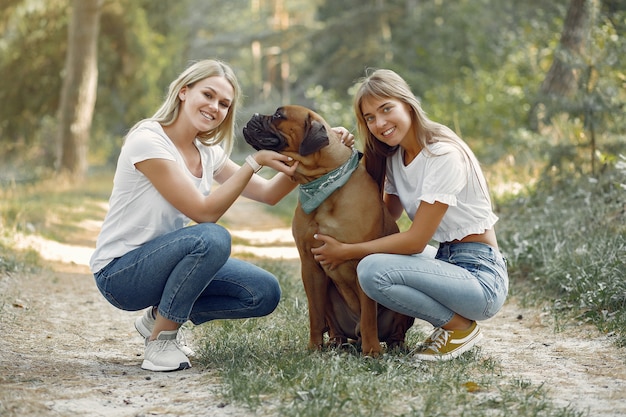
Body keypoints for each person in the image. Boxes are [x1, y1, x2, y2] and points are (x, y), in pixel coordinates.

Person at [90, 59, 354, 372]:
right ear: (184, 92)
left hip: (165, 264)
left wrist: (318, 151)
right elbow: (204, 213)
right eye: (208, 95)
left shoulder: (206, 152)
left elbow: (268, 194)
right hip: (121, 273)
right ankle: (162, 341)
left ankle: (157, 318)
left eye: (224, 103)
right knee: (212, 238)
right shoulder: (148, 140)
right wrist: (253, 162)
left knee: (262, 292)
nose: (215, 107)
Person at [311, 68, 508, 361]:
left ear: (408, 103)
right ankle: (455, 327)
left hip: (480, 277)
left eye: (386, 109)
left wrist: (347, 251)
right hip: (446, 259)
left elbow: (415, 242)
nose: (379, 123)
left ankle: (459, 327)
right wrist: (339, 145)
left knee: (372, 270)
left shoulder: (443, 155)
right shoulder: (396, 156)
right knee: (373, 262)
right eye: (369, 118)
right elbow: (382, 220)